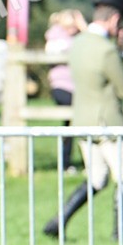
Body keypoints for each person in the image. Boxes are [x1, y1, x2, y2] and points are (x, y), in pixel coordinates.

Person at [43, 0, 123, 240]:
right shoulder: (107, 50)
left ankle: (59, 220)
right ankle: (119, 234)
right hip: (108, 121)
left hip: (82, 120)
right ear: (114, 19)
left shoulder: (79, 43)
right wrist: (120, 50)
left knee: (96, 178)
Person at [45, 9, 87, 172]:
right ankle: (68, 162)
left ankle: (78, 162)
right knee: (74, 123)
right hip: (63, 86)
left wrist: (83, 28)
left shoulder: (79, 37)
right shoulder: (56, 37)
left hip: (78, 87)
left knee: (75, 123)